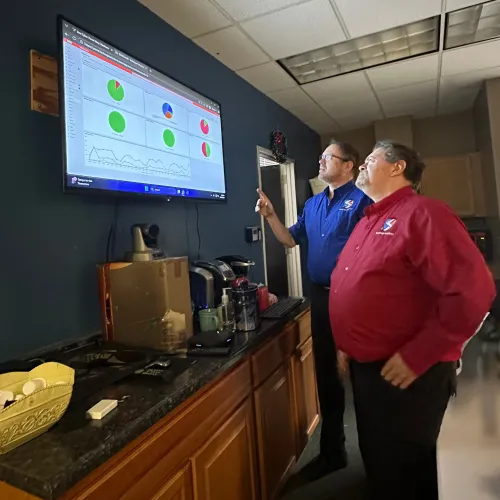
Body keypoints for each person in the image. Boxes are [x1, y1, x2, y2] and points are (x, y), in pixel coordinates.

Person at [329, 141, 495, 500]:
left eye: (370, 160)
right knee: (378, 459)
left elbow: (474, 291)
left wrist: (420, 354)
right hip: (368, 369)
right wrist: (347, 345)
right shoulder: (367, 221)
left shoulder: (425, 213)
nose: (361, 166)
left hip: (407, 371)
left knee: (406, 471)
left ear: (396, 167)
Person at [256, 140, 372, 480]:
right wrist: (271, 215)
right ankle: (333, 452)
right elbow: (289, 241)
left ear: (349, 165)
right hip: (320, 299)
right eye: (321, 156)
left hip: (355, 299)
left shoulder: (363, 200)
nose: (320, 161)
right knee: (326, 376)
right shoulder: (313, 204)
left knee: (362, 377)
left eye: (328, 157)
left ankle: (375, 457)